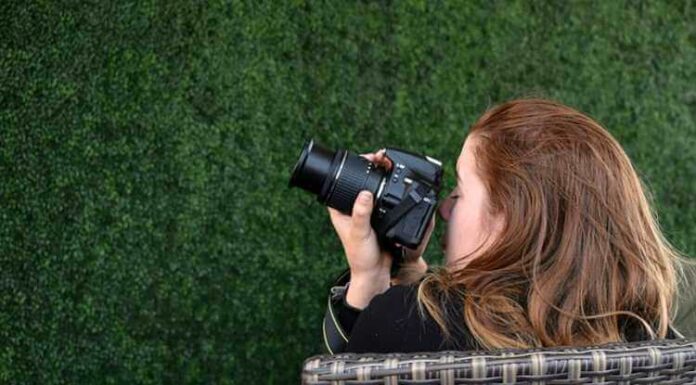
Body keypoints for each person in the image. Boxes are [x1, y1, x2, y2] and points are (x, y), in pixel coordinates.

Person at [323, 98, 692, 354]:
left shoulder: (405, 325)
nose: (446, 210)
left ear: (511, 220)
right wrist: (404, 274)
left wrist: (369, 283)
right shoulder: (654, 339)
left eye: (461, 192)